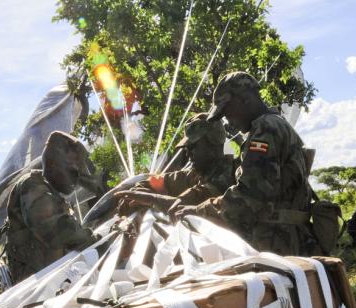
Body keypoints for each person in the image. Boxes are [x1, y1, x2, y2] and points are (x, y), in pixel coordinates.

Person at [174, 72, 315, 255]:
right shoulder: (275, 124)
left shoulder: (265, 129)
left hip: (277, 244)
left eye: (227, 111)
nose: (227, 120)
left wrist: (198, 211)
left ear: (245, 99)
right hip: (285, 240)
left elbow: (250, 197)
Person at [4, 131, 95, 284]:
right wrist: (98, 240)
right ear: (54, 164)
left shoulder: (51, 192)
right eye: (73, 172)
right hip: (33, 287)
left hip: (51, 280)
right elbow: (56, 231)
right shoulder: (33, 185)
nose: (75, 179)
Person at [115, 113, 235, 214]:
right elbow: (161, 181)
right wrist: (136, 192)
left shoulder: (228, 176)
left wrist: (151, 199)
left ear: (213, 144)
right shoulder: (200, 172)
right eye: (187, 149)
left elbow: (180, 204)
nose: (188, 154)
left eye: (193, 147)